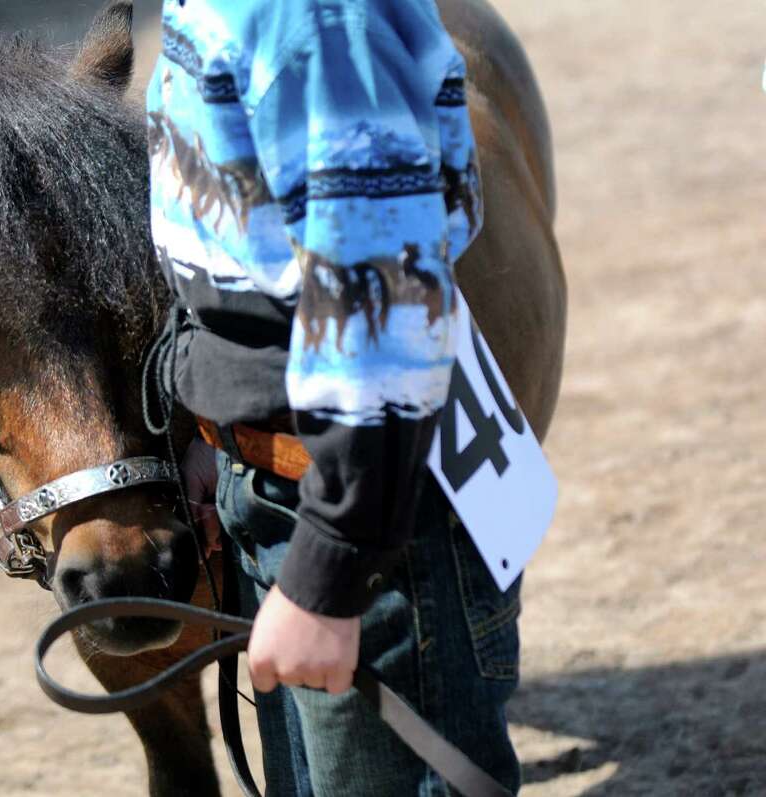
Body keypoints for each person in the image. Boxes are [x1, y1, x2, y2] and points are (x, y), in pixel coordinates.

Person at [147, 0, 523, 793]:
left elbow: (378, 301)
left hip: (366, 511)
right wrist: (223, 422)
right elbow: (240, 223)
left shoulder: (312, 22)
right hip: (287, 478)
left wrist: (329, 571)